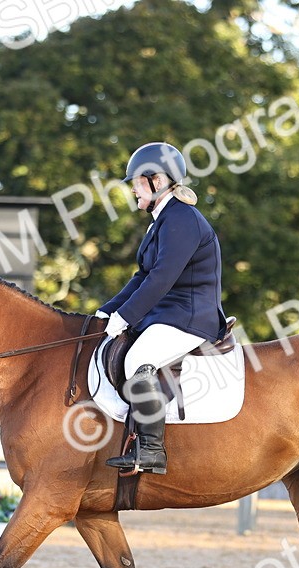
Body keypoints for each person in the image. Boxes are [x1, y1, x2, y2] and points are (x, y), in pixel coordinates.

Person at [96, 141, 227, 475]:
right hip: (168, 314)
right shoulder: (161, 221)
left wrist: (126, 317)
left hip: (190, 315)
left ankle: (152, 449)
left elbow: (162, 278)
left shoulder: (181, 219)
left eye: (138, 183)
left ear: (158, 180)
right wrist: (107, 311)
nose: (134, 191)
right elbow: (142, 276)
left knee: (139, 360)